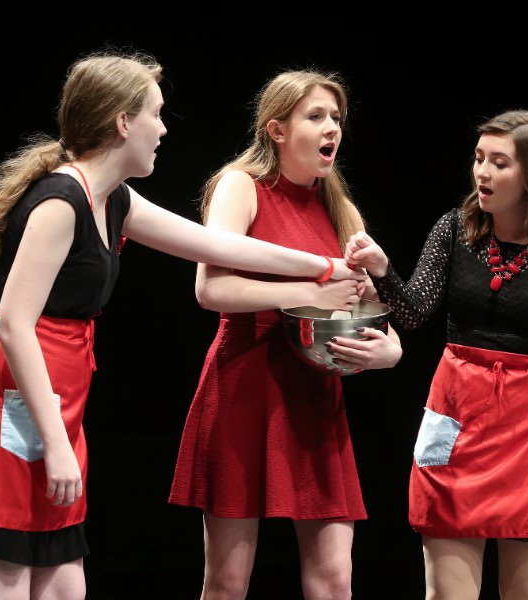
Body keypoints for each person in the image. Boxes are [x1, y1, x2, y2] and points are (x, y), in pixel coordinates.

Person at [0, 51, 367, 600]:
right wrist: (56, 443)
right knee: (6, 582)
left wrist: (325, 267)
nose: (163, 129)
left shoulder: (114, 199)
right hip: (13, 397)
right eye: (156, 114)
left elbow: (216, 246)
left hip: (59, 392)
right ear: (122, 123)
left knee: (64, 588)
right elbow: (16, 326)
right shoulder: (61, 201)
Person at [345, 109, 528, 599]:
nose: (482, 173)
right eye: (478, 158)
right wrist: (383, 271)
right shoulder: (455, 229)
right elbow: (414, 312)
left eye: (499, 163)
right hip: (455, 415)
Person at [168, 69, 403, 599]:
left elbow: (369, 306)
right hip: (246, 387)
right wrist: (305, 290)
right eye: (315, 116)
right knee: (228, 581)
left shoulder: (342, 209)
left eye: (336, 117)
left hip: (315, 397)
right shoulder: (240, 186)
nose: (332, 128)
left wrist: (390, 351)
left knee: (334, 578)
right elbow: (210, 288)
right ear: (276, 130)